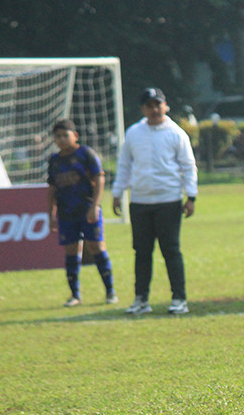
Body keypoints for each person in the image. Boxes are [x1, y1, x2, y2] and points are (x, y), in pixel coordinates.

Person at [111, 88, 198, 315]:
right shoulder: (134, 133)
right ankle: (141, 299)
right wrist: (117, 192)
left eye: (158, 104)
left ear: (165, 105)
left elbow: (188, 166)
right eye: (149, 105)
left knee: (171, 250)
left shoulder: (176, 133)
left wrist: (191, 196)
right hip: (140, 201)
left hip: (168, 199)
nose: (154, 109)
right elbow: (124, 165)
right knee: (141, 252)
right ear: (143, 109)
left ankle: (179, 298)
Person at [46, 119, 116, 307]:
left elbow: (99, 180)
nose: (61, 139)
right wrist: (50, 213)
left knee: (96, 248)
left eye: (65, 135)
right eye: (57, 136)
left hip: (87, 210)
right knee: (70, 251)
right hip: (67, 213)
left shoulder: (86, 154)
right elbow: (52, 188)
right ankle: (75, 295)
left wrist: (95, 206)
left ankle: (110, 292)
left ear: (75, 136)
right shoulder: (55, 160)